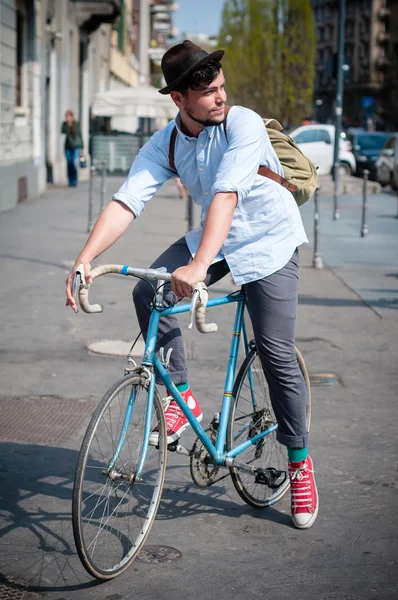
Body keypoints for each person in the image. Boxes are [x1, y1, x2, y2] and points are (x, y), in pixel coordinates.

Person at [65, 40, 318, 530]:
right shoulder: (167, 143)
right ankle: (182, 397)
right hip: (217, 239)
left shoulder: (241, 123)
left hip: (269, 238)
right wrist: (85, 257)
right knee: (148, 291)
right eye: (208, 93)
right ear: (179, 100)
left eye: (222, 87)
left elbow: (225, 194)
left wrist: (199, 266)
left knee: (275, 351)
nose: (220, 98)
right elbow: (126, 202)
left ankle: (299, 461)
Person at [61, 110, 84, 187]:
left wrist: (82, 146)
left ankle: (74, 180)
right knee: (69, 163)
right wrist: (68, 125)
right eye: (67, 116)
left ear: (72, 117)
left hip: (75, 146)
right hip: (68, 147)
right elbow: (63, 131)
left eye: (69, 116)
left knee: (74, 163)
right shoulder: (65, 124)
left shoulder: (76, 124)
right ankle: (70, 180)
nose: (68, 118)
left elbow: (80, 134)